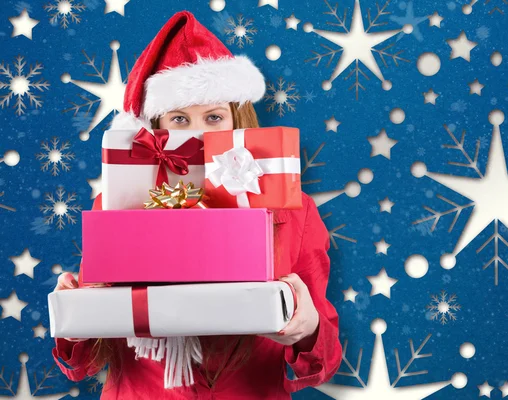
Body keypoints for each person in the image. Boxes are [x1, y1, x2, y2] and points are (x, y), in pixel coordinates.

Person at [52, 10, 342, 399]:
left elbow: (323, 360)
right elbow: (86, 359)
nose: (198, 134)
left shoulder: (294, 210)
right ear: (153, 130)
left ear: (237, 119)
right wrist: (73, 319)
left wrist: (308, 329)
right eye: (178, 119)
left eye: (213, 116)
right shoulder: (119, 203)